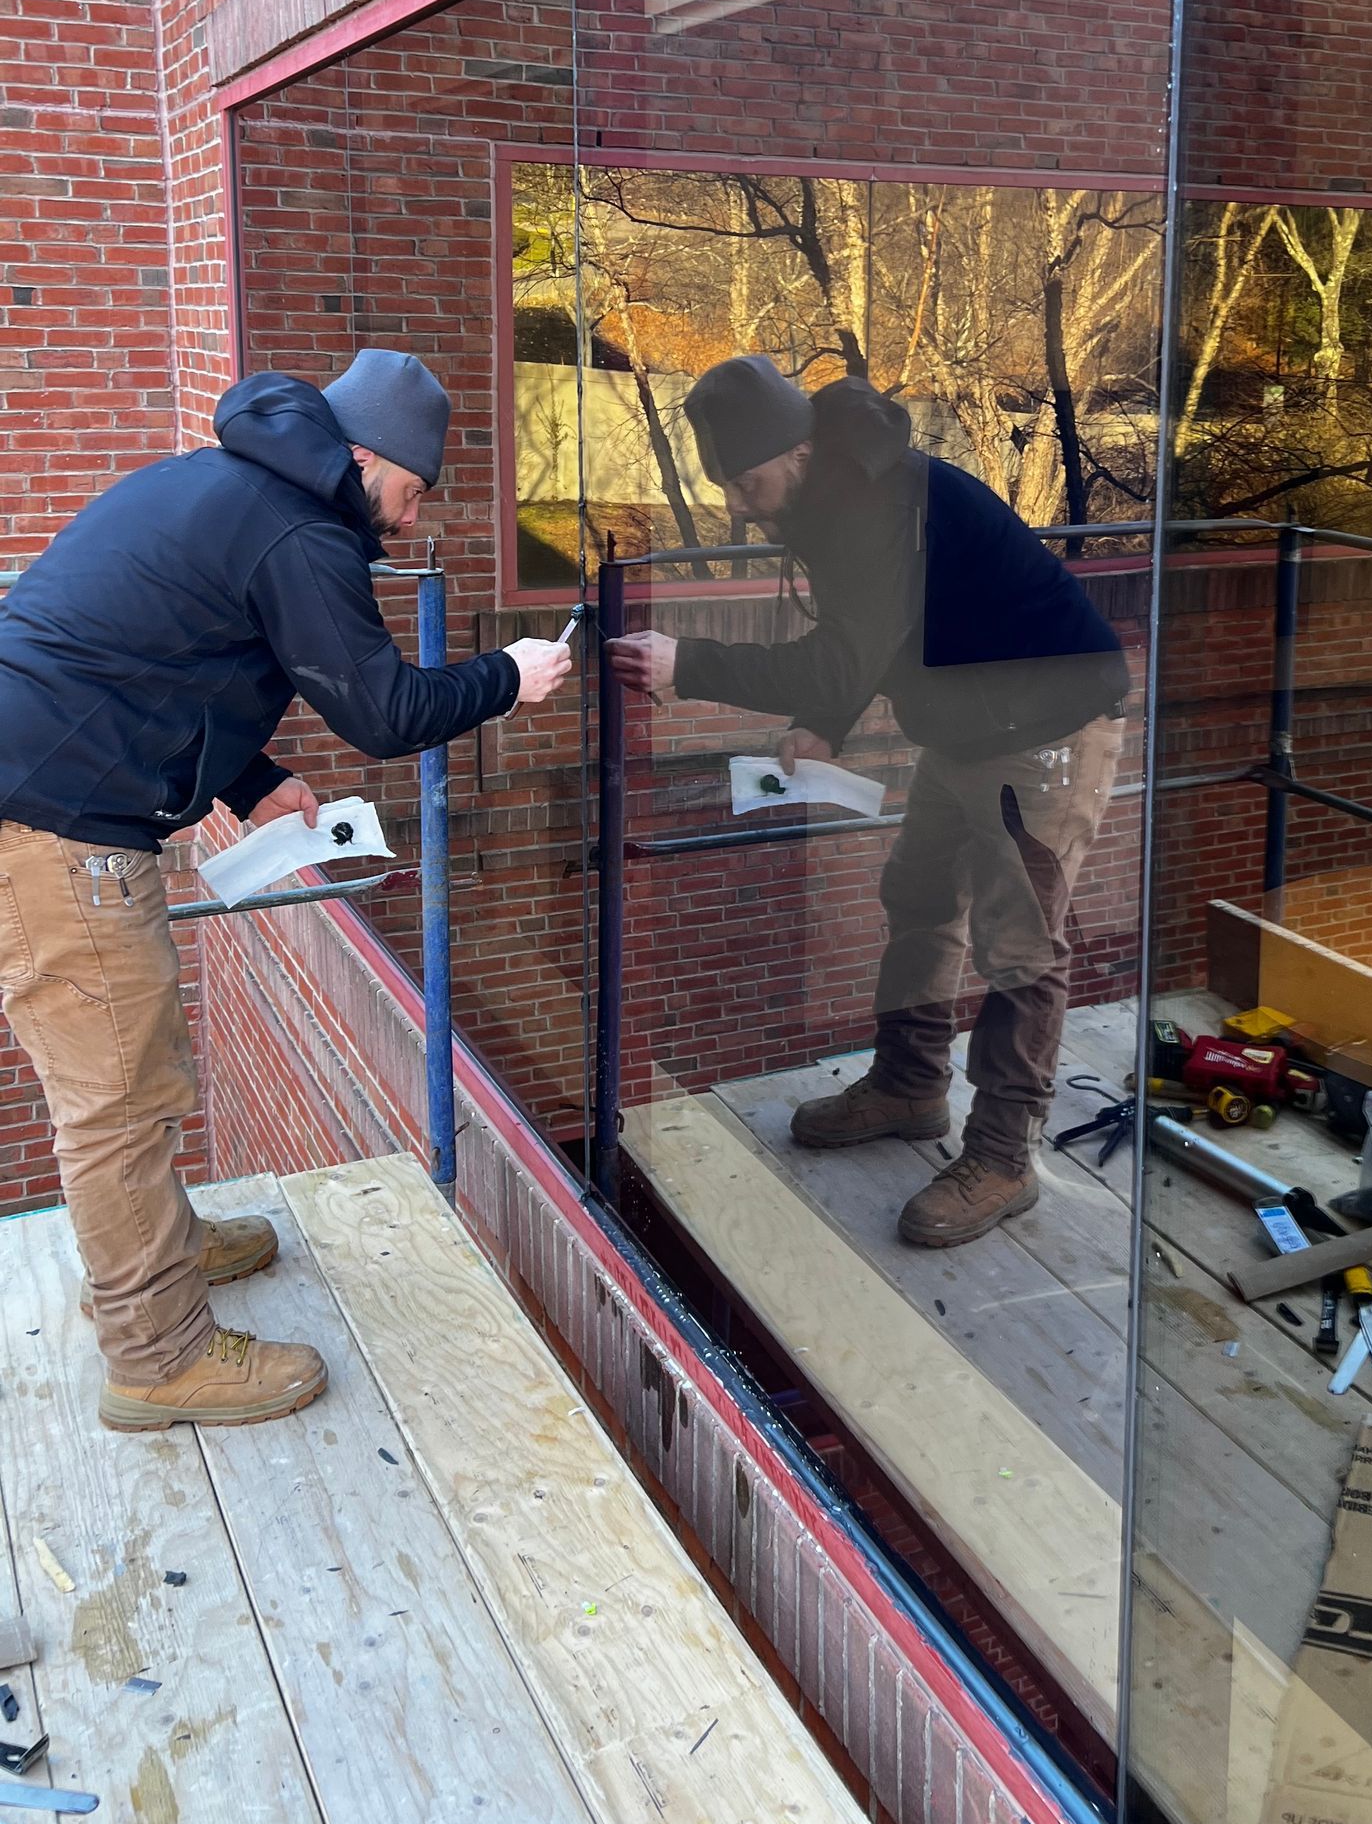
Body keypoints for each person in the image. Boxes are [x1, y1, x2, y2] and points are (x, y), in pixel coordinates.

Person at [0, 351, 574, 1431]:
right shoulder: (301, 531)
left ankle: (157, 1253)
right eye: (411, 492)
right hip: (52, 821)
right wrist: (509, 676)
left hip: (44, 789)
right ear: (363, 458)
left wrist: (250, 779)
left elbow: (159, 656)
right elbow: (385, 712)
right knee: (119, 1098)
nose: (409, 522)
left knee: (133, 1073)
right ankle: (157, 1355)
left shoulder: (228, 483)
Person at [609, 355, 1127, 1246]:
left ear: (797, 450)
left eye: (746, 482)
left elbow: (844, 654)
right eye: (727, 485)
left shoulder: (873, 505)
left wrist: (689, 662)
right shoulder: (833, 492)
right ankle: (910, 1086)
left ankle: (1003, 1155)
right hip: (966, 726)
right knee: (918, 896)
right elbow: (874, 636)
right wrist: (824, 724)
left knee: (1020, 947)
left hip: (1046, 729)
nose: (739, 506)